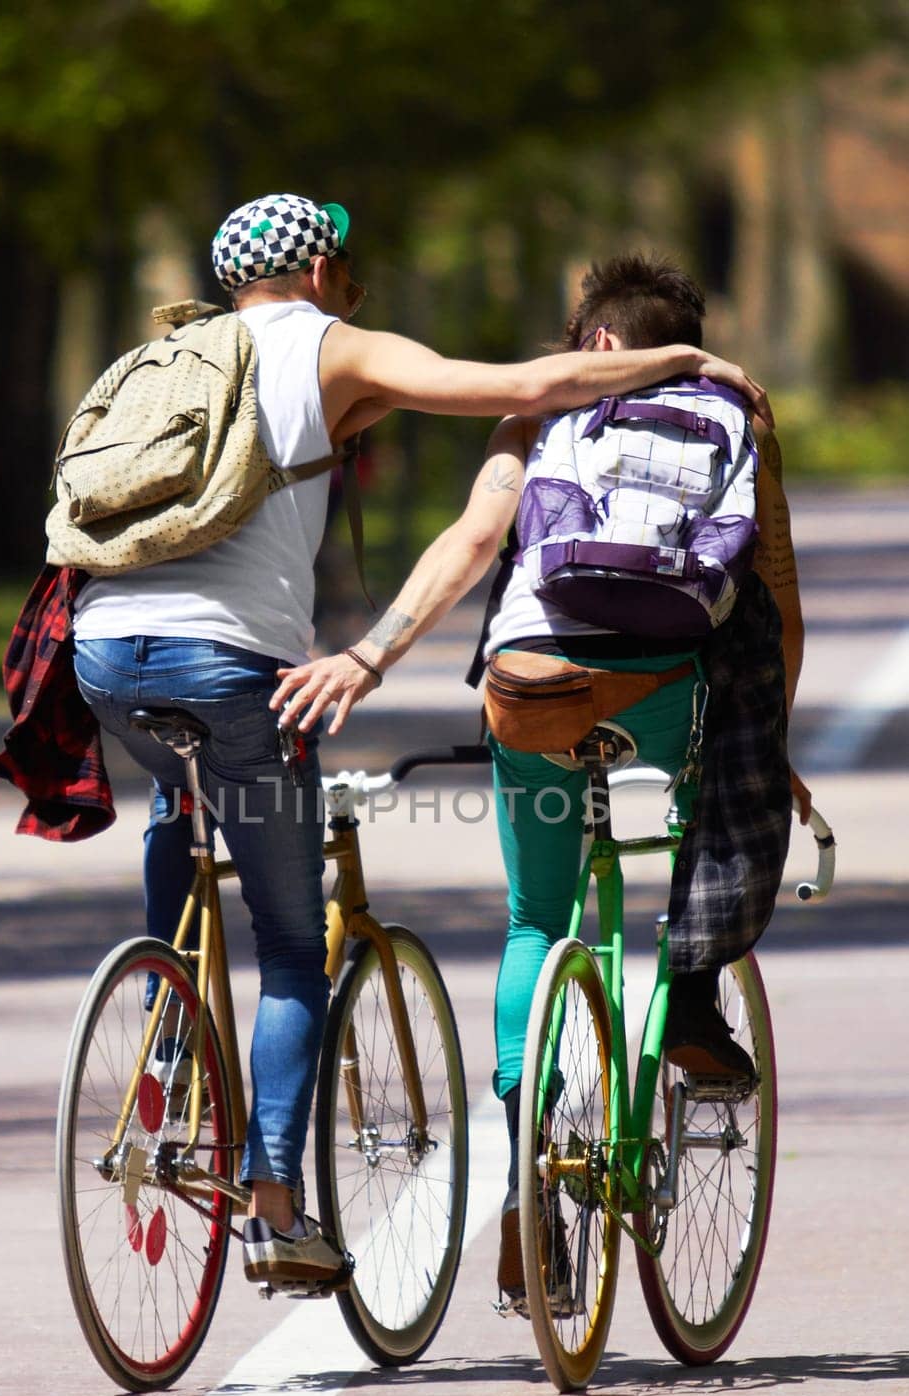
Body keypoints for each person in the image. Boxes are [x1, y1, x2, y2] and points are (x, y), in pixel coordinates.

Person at [70, 199, 772, 1293]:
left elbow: (474, 525)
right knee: (298, 949)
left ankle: (169, 1017)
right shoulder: (333, 343)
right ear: (312, 268)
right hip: (256, 668)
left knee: (184, 796)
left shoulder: (164, 357)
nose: (353, 281)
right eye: (344, 262)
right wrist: (686, 357)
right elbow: (524, 387)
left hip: (107, 653)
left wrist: (375, 648)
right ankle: (271, 1207)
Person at [272, 252, 806, 1307]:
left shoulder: (540, 421)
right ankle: (690, 994)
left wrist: (368, 655)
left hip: (534, 687)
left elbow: (473, 543)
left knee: (533, 916)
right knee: (715, 804)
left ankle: (527, 1172)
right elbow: (773, 589)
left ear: (596, 343)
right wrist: (769, 745)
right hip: (663, 684)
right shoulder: (735, 411)